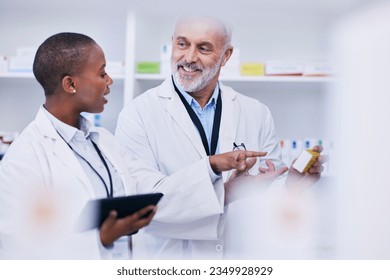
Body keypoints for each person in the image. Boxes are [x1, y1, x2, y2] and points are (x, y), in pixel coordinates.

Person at [115, 15, 325, 259]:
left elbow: (266, 196)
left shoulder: (255, 112)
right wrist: (223, 187)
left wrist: (291, 186)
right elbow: (142, 204)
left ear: (226, 55)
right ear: (172, 43)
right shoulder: (137, 114)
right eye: (182, 44)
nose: (189, 58)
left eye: (204, 48)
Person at [0, 32, 156, 259]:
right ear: (70, 84)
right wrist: (99, 240)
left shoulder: (104, 141)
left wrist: (211, 167)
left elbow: (149, 186)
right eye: (102, 73)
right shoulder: (25, 156)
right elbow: (17, 247)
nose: (109, 80)